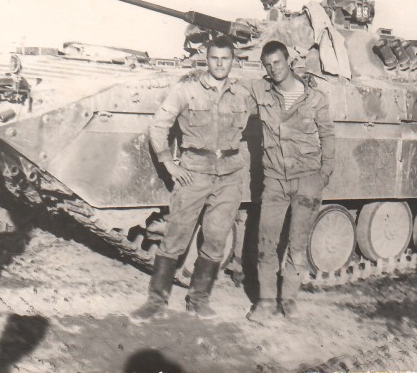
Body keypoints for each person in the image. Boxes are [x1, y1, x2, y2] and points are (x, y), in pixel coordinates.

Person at [131, 35, 253, 320]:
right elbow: (159, 125)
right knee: (175, 238)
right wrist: (168, 162)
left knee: (216, 240)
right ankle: (156, 302)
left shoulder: (243, 93)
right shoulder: (186, 90)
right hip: (194, 173)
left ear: (233, 61)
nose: (220, 64)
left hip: (229, 175)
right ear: (206, 59)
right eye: (214, 58)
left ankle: (198, 300)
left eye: (225, 59)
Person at [246, 40, 335, 322]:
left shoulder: (315, 98)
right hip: (275, 180)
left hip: (307, 180)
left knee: (297, 245)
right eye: (268, 65)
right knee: (266, 242)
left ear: (289, 62)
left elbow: (327, 135)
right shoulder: (261, 90)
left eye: (278, 62)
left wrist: (324, 174)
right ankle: (266, 301)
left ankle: (290, 299)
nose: (273, 69)